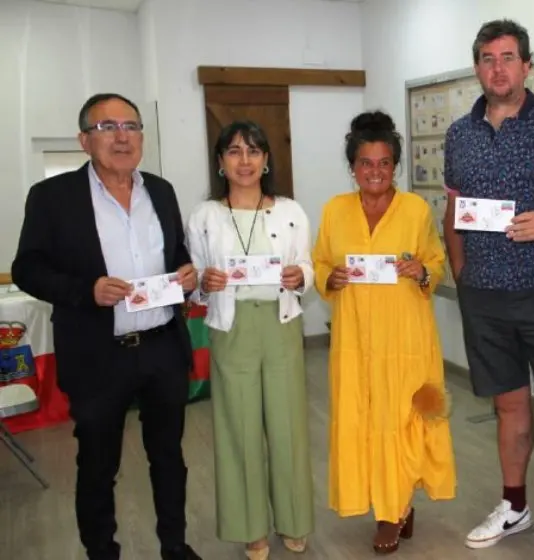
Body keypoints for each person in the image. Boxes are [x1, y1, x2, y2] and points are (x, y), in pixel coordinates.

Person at [11, 93, 201, 560]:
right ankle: (102, 552)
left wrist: (187, 271)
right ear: (84, 140)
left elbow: (174, 253)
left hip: (161, 348)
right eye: (108, 127)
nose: (122, 136)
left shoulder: (161, 189)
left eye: (132, 126)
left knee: (169, 459)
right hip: (99, 353)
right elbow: (27, 270)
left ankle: (174, 547)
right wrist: (86, 289)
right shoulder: (53, 197)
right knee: (97, 464)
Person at [443, 18, 534, 559]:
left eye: (508, 57)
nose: (497, 68)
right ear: (477, 67)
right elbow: (453, 209)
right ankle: (514, 505)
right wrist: (462, 276)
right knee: (509, 407)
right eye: (487, 58)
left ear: (527, 66)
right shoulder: (460, 133)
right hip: (484, 296)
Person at [312, 110, 456, 555]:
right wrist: (329, 279)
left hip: (405, 338)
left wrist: (421, 270)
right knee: (362, 419)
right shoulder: (335, 210)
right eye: (365, 163)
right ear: (353, 167)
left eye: (384, 163)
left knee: (401, 421)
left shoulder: (413, 209)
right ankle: (387, 503)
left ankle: (391, 512)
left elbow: (436, 260)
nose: (375, 172)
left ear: (395, 166)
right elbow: (320, 262)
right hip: (355, 340)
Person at [186, 121, 315, 559]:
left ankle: (294, 521)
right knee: (237, 428)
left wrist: (302, 277)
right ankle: (250, 528)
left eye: (254, 151)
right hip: (232, 328)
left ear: (267, 160)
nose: (245, 161)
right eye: (235, 152)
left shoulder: (291, 211)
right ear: (220, 162)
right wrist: (206, 282)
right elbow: (196, 281)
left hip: (281, 327)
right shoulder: (204, 216)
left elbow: (306, 267)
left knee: (288, 426)